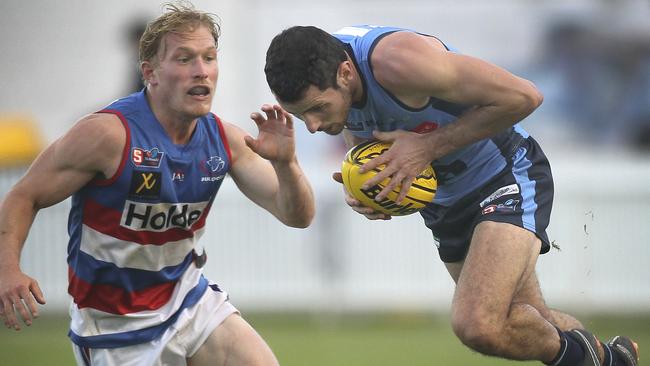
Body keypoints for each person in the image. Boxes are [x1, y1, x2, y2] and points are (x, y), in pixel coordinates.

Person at [264, 25, 639, 366]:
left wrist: (427, 148)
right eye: (300, 116)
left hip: (504, 172)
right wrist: (374, 187)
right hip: (446, 201)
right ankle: (610, 360)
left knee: (477, 324)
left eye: (316, 110)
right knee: (525, 316)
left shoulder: (399, 62)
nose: (312, 127)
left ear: (346, 73)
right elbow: (370, 130)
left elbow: (525, 96)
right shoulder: (326, 67)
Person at [0, 4, 314, 366]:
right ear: (150, 72)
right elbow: (24, 196)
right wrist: (9, 270)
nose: (201, 71)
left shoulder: (224, 140)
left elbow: (297, 216)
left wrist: (286, 164)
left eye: (209, 57)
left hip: (189, 303)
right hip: (116, 329)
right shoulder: (106, 135)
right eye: (184, 59)